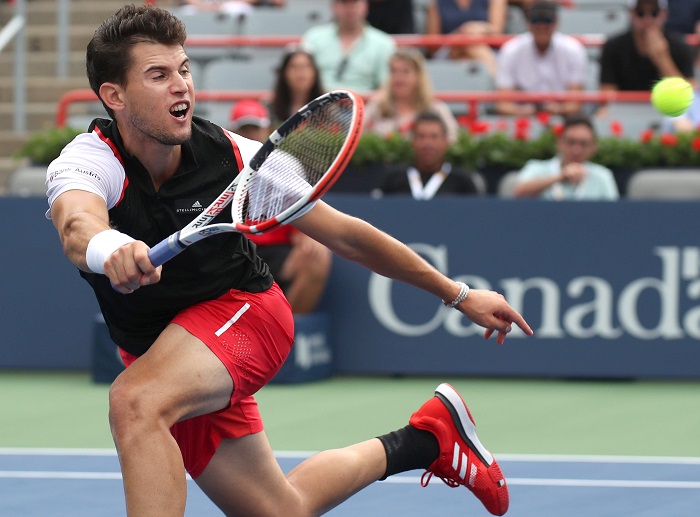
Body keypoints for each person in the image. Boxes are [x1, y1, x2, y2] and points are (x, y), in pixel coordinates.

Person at [45, 5, 532, 517]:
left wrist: (457, 294)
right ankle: (427, 438)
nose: (181, 86)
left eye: (184, 69)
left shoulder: (239, 158)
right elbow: (78, 224)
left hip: (244, 315)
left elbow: (346, 235)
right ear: (113, 96)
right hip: (161, 350)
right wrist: (110, 248)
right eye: (159, 75)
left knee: (136, 404)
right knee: (281, 510)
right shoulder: (87, 161)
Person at [229, 99, 333, 314]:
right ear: (233, 131)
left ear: (267, 130)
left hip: (275, 250)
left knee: (316, 257)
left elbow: (302, 216)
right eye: (244, 129)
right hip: (232, 249)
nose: (250, 135)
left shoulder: (287, 165)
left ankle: (287, 329)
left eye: (255, 128)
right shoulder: (219, 165)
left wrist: (305, 236)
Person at [494, 0, 588, 116]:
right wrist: (523, 111)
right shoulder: (511, 50)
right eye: (535, 21)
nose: (541, 26)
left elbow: (575, 104)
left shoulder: (573, 50)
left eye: (547, 21)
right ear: (527, 23)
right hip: (522, 115)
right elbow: (503, 104)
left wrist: (558, 110)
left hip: (563, 116)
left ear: (556, 23)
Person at [374, 111, 486, 198]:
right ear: (412, 141)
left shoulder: (463, 181)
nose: (427, 144)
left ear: (446, 141)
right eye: (421, 136)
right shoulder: (391, 178)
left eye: (434, 137)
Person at [513, 114, 619, 200]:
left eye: (583, 143)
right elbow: (519, 192)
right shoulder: (536, 167)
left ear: (593, 147)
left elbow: (614, 213)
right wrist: (561, 176)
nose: (576, 150)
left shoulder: (603, 175)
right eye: (571, 142)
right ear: (559, 142)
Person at [364, 48, 460, 143]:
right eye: (394, 71)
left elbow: (453, 141)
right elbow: (359, 138)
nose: (398, 78)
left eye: (405, 71)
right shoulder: (377, 105)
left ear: (419, 76)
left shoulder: (437, 109)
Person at [301, 0, 396, 92]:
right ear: (334, 6)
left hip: (367, 105)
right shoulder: (313, 38)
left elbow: (385, 89)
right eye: (344, 2)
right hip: (319, 105)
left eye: (355, 2)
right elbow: (300, 79)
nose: (350, 8)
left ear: (366, 6)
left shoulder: (383, 43)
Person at [599, 0, 694, 92]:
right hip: (624, 107)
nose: (647, 19)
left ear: (664, 15)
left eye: (654, 13)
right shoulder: (613, 47)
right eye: (640, 13)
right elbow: (607, 95)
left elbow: (691, 97)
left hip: (670, 107)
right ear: (631, 14)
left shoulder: (680, 47)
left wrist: (663, 60)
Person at [425, 0, 507, 78]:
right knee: (463, 43)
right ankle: (497, 84)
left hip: (485, 48)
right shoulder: (436, 3)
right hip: (450, 48)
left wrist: (480, 29)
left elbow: (496, 32)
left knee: (472, 45)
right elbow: (432, 46)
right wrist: (458, 35)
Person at [268, 48, 325, 126]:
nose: (300, 71)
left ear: (315, 72)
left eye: (306, 66)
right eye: (294, 66)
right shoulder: (269, 109)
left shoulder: (330, 109)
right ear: (284, 73)